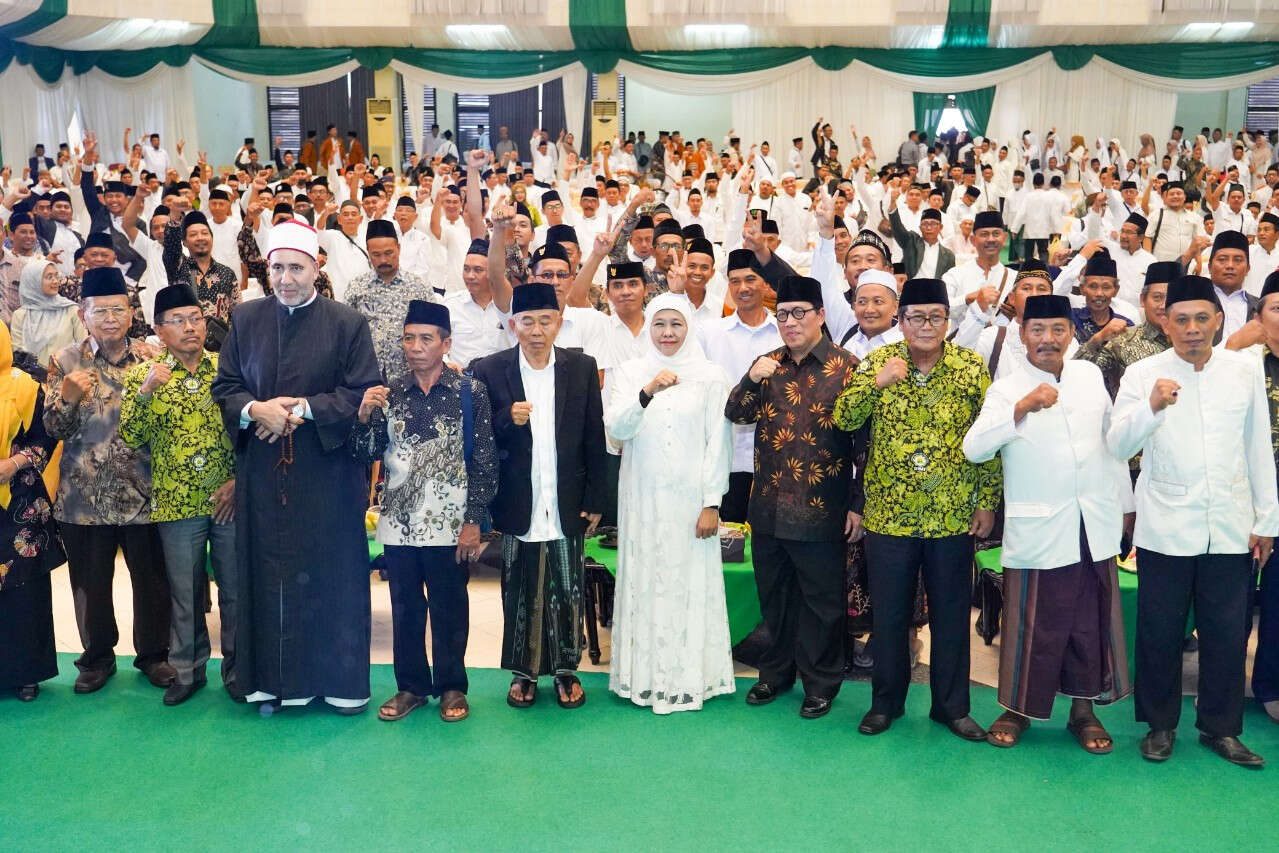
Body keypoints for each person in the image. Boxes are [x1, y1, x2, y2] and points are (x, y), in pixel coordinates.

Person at [1107, 274, 1279, 767]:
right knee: (1160, 632)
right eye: (1181, 319)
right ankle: (1160, 726)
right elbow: (1118, 446)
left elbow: (1257, 449)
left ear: (1219, 320)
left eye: (1202, 318)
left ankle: (1221, 729)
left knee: (1227, 633)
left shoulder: (1242, 371)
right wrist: (1151, 407)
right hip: (1166, 525)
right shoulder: (1144, 374)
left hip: (1231, 522)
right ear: (1165, 322)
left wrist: (1267, 519)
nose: (1192, 329)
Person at [211, 219, 382, 715]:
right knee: (267, 574)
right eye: (277, 267)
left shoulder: (347, 323)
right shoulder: (246, 320)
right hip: (263, 474)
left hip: (325, 474)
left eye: (296, 268)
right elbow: (226, 386)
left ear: (316, 267)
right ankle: (273, 682)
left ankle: (338, 683)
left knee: (331, 574)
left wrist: (302, 409)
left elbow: (361, 391)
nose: (285, 278)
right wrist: (255, 409)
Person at [963, 294, 1134, 752]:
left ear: (1071, 334)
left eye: (1058, 329)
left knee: (1087, 621)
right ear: (1022, 335)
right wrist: (1020, 408)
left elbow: (1111, 443)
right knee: (1033, 623)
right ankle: (1017, 709)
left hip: (1092, 522)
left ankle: (1084, 710)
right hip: (1039, 527)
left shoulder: (1090, 375)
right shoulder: (1006, 387)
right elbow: (974, 448)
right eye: (1037, 330)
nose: (1048, 339)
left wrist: (1126, 506)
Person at [834, 278, 1001, 741]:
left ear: (948, 321)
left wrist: (986, 499)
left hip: (952, 515)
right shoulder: (876, 363)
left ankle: (951, 708)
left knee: (951, 616)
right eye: (916, 317)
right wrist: (877, 384)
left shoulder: (970, 368)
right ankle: (885, 703)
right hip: (889, 515)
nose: (926, 326)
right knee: (889, 617)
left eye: (935, 317)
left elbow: (987, 440)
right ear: (900, 321)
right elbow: (843, 418)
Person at [350, 300, 497, 723]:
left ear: (446, 344)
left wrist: (473, 521)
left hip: (452, 525)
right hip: (399, 524)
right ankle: (411, 686)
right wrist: (363, 415)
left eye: (426, 339)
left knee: (451, 607)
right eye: (409, 337)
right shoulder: (388, 393)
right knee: (406, 609)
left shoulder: (470, 392)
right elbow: (365, 453)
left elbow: (484, 460)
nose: (415, 346)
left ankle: (453, 687)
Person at [725, 276, 859, 719]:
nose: (790, 322)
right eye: (782, 314)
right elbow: (735, 414)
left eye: (800, 313)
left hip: (822, 508)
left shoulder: (848, 368)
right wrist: (748, 378)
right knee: (774, 597)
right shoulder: (768, 365)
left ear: (821, 315)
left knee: (822, 602)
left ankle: (820, 683)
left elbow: (867, 443)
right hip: (766, 506)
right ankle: (775, 674)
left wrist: (857, 505)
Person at [470, 282, 607, 710]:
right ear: (513, 325)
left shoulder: (581, 368)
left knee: (567, 589)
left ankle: (567, 670)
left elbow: (593, 435)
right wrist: (506, 419)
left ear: (558, 323)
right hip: (517, 501)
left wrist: (597, 498)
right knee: (520, 590)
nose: (535, 330)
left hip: (565, 499)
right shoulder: (490, 369)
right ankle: (523, 673)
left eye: (545, 321)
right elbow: (476, 440)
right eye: (526, 321)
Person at [44, 266, 174, 695]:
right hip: (84, 496)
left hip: (146, 491)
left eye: (118, 309)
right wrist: (66, 397)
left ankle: (154, 656)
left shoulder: (154, 357)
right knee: (90, 583)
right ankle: (96, 659)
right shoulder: (65, 360)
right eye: (100, 311)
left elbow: (171, 421)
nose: (110, 318)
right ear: (84, 314)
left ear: (131, 314)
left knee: (152, 581)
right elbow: (53, 429)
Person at [604, 292, 735, 713]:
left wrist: (711, 502)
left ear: (690, 327)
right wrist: (646, 391)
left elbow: (719, 442)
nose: (667, 333)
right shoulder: (629, 372)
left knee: (688, 582)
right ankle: (643, 678)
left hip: (690, 502)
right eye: (659, 324)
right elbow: (617, 431)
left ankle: (691, 678)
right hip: (642, 499)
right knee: (646, 579)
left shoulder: (712, 376)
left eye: (676, 324)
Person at [119, 284, 238, 706]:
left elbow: (248, 432)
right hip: (175, 501)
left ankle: (239, 671)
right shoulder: (142, 377)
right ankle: (188, 672)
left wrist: (239, 482)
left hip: (229, 501)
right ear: (158, 329)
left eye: (196, 318)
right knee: (185, 593)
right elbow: (130, 436)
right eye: (178, 321)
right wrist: (147, 391)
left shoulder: (227, 369)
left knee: (235, 588)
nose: (190, 328)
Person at [0, 321, 65, 701]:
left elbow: (46, 434)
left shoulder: (23, 385)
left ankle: (26, 673)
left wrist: (15, 463)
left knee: (24, 591)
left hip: (20, 503)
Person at [344, 218, 437, 381]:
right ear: (368, 252)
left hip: (411, 377)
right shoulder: (356, 287)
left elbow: (433, 332)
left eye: (388, 253)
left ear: (398, 249)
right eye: (376, 255)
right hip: (366, 376)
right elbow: (346, 332)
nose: (383, 260)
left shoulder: (419, 287)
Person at [1077, 260, 1180, 399]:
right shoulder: (1122, 341)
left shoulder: (1194, 341)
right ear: (1143, 300)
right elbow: (1079, 378)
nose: (1163, 306)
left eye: (1172, 298)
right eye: (1157, 297)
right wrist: (1095, 341)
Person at [11, 261, 85, 367]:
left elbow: (84, 350)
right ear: (33, 281)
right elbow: (18, 355)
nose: (55, 281)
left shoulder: (71, 310)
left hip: (67, 378)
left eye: (56, 276)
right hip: (31, 379)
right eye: (49, 277)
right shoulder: (20, 315)